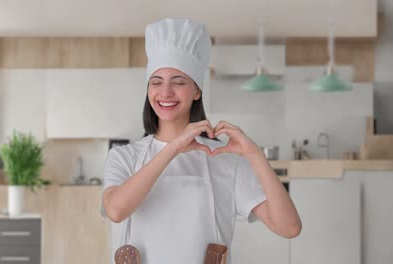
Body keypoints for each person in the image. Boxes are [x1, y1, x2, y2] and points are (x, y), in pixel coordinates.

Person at [100, 18, 302, 264]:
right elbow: (116, 211)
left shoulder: (224, 158)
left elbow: (289, 227)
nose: (165, 92)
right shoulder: (124, 157)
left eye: (179, 82)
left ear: (197, 91)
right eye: (156, 82)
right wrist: (173, 148)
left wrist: (255, 155)